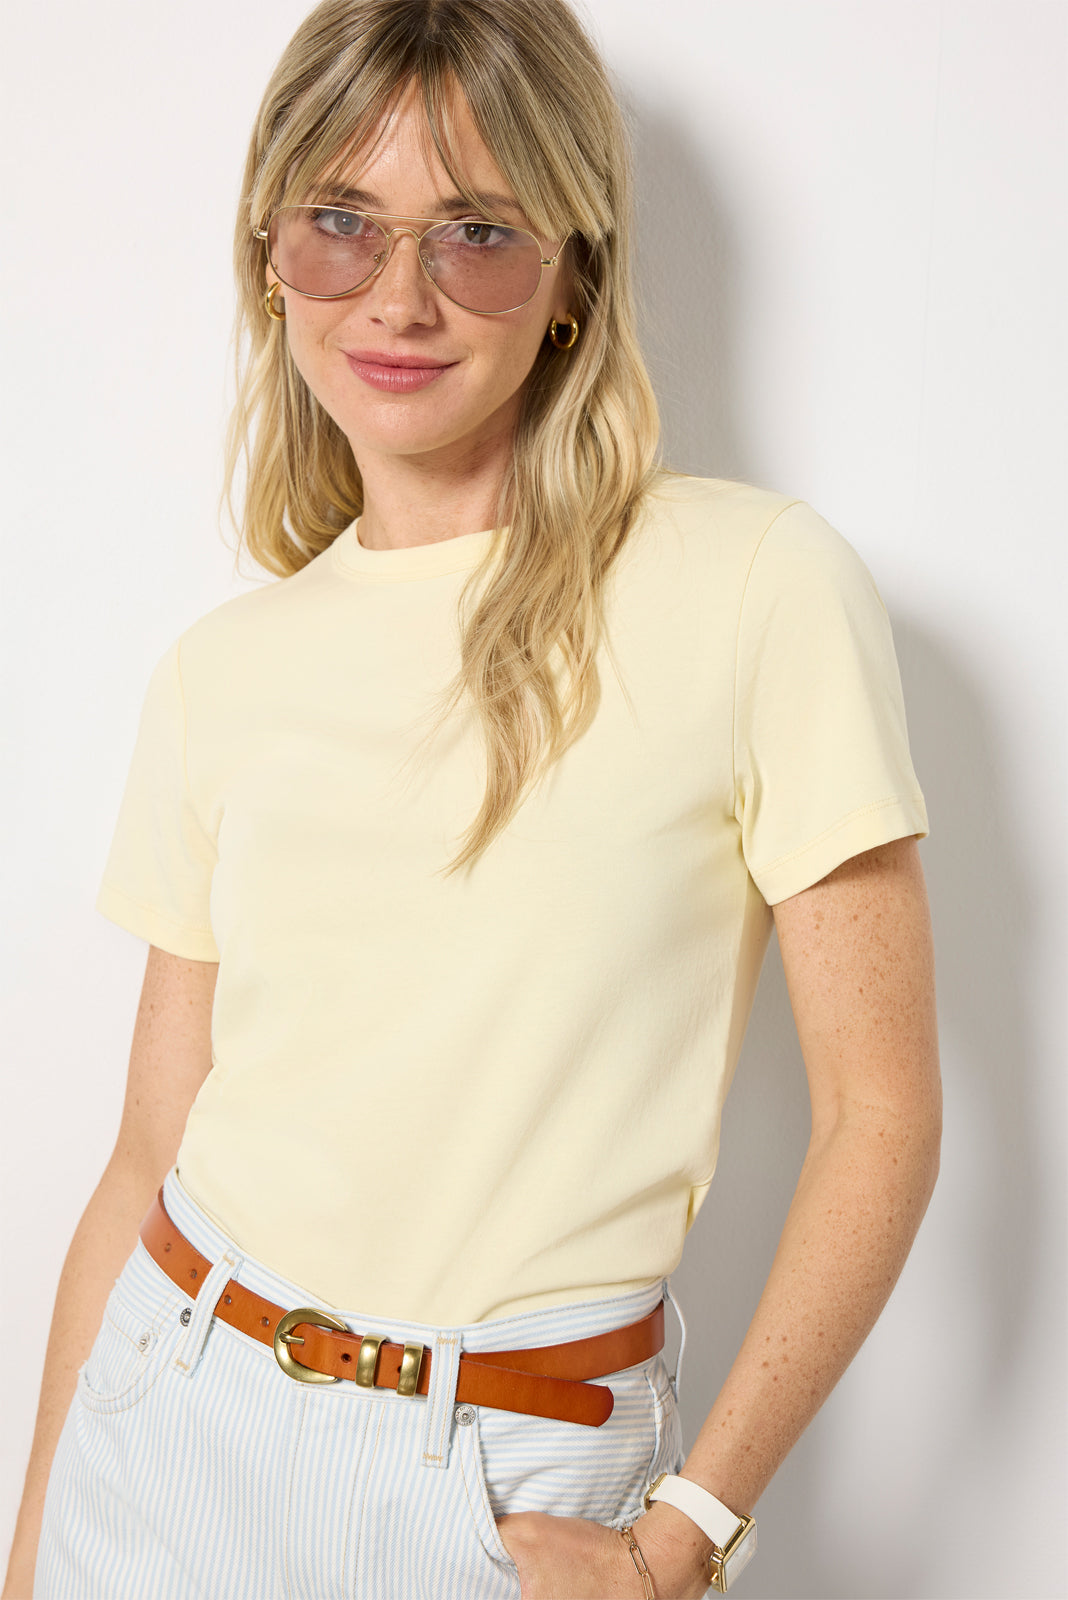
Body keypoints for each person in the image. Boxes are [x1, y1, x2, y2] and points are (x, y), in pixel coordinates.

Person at [3, 1, 941, 1596]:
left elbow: (883, 1115)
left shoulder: (755, 588)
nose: (400, 298)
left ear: (574, 272)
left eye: (479, 235)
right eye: (340, 223)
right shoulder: (222, 671)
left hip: (513, 1479)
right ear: (269, 253)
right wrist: (34, 1551)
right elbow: (146, 1149)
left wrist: (684, 1539)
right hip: (166, 1423)